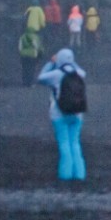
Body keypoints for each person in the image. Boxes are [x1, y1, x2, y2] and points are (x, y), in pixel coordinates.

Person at [36, 47, 88, 182]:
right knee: (75, 143)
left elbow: (40, 78)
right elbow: (81, 70)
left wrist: (51, 63)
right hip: (77, 113)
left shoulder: (56, 74)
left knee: (64, 144)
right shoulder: (79, 73)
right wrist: (72, 63)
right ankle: (80, 174)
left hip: (59, 114)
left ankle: (65, 174)